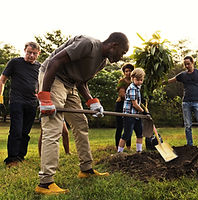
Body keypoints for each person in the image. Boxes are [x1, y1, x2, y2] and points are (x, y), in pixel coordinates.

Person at [35, 32, 129, 195]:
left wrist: (92, 102)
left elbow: (81, 82)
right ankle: (45, 183)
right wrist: (45, 96)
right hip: (53, 77)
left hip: (70, 84)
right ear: (114, 45)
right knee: (53, 127)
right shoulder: (88, 44)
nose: (121, 58)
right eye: (122, 53)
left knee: (81, 124)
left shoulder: (102, 62)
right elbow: (54, 61)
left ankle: (86, 169)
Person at [0, 42, 41, 167]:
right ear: (24, 51)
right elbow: (2, 79)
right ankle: (11, 159)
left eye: (34, 53)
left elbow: (41, 83)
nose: (31, 55)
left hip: (32, 103)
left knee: (25, 132)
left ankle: (20, 156)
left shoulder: (40, 67)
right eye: (29, 52)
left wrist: (40, 95)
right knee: (16, 130)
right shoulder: (15, 63)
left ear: (38, 54)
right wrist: (0, 98)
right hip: (17, 101)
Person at [165, 56, 198, 150]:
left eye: (188, 64)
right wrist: (160, 83)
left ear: (192, 62)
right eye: (185, 64)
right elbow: (171, 80)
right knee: (188, 126)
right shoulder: (182, 75)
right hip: (186, 103)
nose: (186, 66)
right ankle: (190, 146)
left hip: (197, 103)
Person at [118, 68, 146, 153]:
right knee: (127, 134)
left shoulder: (138, 87)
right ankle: (119, 152)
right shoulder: (132, 88)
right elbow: (134, 104)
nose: (139, 82)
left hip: (137, 115)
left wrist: (142, 111)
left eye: (141, 80)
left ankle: (139, 151)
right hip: (129, 115)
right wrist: (143, 112)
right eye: (137, 80)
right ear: (132, 78)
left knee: (140, 133)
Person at [115, 63, 134, 150]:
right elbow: (122, 94)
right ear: (124, 72)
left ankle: (128, 147)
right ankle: (117, 146)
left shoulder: (135, 82)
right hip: (121, 105)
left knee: (128, 126)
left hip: (130, 105)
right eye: (126, 71)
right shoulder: (122, 82)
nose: (128, 73)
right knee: (120, 127)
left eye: (130, 71)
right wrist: (132, 98)